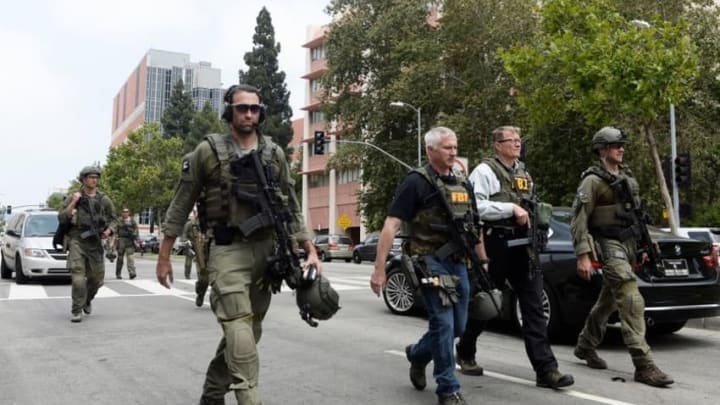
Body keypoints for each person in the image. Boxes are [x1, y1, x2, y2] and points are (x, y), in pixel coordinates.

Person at [155, 84, 321, 405]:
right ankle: (249, 398)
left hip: (266, 253)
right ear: (229, 111)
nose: (248, 114)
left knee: (248, 331)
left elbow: (291, 205)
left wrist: (309, 248)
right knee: (238, 327)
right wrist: (164, 255)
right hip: (226, 250)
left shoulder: (274, 153)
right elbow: (180, 205)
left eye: (254, 109)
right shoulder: (207, 152)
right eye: (242, 108)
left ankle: (213, 392)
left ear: (261, 113)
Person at [371, 127, 486, 405]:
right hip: (429, 263)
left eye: (455, 147)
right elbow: (392, 224)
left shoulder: (462, 182)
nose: (454, 152)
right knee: (444, 324)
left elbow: (475, 224)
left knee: (459, 326)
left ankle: (418, 354)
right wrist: (379, 269)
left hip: (459, 262)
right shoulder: (415, 182)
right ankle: (448, 387)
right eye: (447, 147)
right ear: (430, 150)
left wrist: (483, 260)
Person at [458, 126, 574, 389]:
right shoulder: (485, 171)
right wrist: (509, 208)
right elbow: (475, 207)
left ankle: (547, 370)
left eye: (519, 140)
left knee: (533, 309)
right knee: (486, 304)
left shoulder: (524, 173)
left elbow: (531, 205)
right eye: (511, 140)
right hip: (496, 245)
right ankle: (465, 349)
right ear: (497, 145)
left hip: (524, 247)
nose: (517, 144)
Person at [570, 127, 673, 387]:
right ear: (602, 149)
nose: (621, 148)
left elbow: (636, 215)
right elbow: (578, 220)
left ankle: (585, 345)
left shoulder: (627, 177)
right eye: (616, 145)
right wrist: (583, 255)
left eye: (622, 144)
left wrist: (645, 247)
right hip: (608, 244)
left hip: (629, 245)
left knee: (608, 302)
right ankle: (644, 365)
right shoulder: (592, 181)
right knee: (631, 299)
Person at [58, 166, 117, 323]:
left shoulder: (103, 199)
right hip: (77, 240)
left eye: (96, 177)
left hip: (95, 242)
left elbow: (114, 219)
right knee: (78, 279)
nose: (94, 180)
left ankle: (87, 300)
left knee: (97, 279)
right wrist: (74, 202)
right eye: (91, 177)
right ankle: (76, 310)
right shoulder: (74, 197)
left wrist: (109, 230)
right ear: (83, 179)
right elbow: (62, 218)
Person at [183, 209, 210, 307]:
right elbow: (184, 235)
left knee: (218, 278)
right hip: (199, 254)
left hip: (214, 252)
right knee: (203, 279)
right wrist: (186, 241)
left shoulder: (214, 221)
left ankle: (216, 299)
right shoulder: (191, 224)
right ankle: (200, 293)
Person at [115, 207, 139, 280]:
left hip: (130, 240)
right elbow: (115, 230)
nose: (125, 213)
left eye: (126, 212)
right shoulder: (119, 220)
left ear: (129, 213)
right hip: (121, 240)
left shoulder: (132, 220)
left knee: (130, 257)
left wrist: (135, 237)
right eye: (124, 212)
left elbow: (136, 229)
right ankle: (118, 273)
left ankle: (132, 272)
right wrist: (115, 239)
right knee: (120, 258)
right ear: (121, 213)